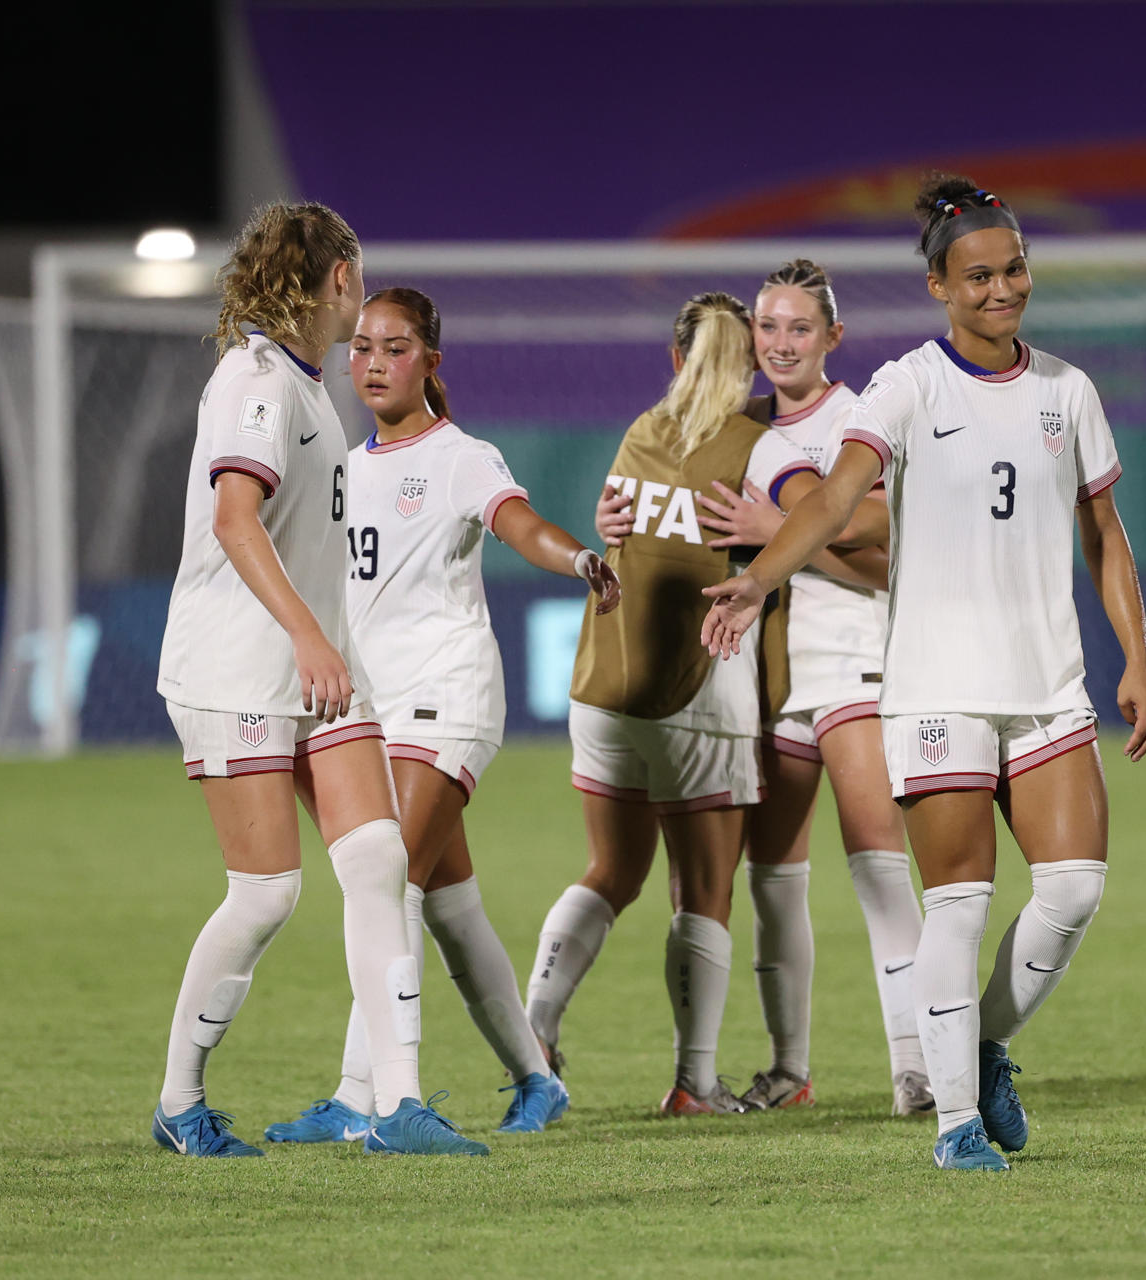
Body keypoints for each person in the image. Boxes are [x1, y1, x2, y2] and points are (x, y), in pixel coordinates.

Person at [699, 175, 1146, 1172]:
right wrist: (757, 580)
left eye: (1015, 269)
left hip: (1046, 683)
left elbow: (1104, 532)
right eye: (980, 276)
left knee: (1074, 887)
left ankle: (982, 1042)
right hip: (936, 684)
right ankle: (956, 1121)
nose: (1003, 289)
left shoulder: (1067, 393)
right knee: (957, 902)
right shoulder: (907, 387)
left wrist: (1138, 654)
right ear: (939, 289)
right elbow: (828, 504)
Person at [154, 203, 487, 1157]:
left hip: (315, 674)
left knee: (379, 863)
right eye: (358, 273)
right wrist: (309, 636)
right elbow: (234, 517)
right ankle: (180, 1103)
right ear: (335, 278)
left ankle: (399, 1107)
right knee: (264, 895)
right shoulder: (255, 381)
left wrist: (320, 643)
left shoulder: (303, 385)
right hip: (238, 671)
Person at [261, 288, 620, 1146]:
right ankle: (538, 1078)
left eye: (394, 348)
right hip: (375, 708)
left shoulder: (462, 455)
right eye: (363, 349)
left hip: (447, 697)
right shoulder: (345, 465)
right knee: (451, 909)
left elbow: (516, 523)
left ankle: (361, 1096)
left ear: (430, 361)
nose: (374, 362)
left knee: (389, 886)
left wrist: (574, 556)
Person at [525, 292, 879, 1116]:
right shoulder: (758, 447)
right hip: (698, 695)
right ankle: (695, 1080)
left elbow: (620, 520)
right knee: (705, 891)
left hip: (604, 688)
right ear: (748, 360)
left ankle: (533, 1026)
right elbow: (839, 522)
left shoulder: (641, 431)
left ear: (677, 359)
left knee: (611, 870)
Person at [595, 259, 930, 1116]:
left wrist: (779, 531)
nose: (780, 344)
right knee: (773, 880)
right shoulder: (742, 430)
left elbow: (889, 559)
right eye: (767, 330)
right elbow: (664, 504)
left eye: (798, 329)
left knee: (879, 871)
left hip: (851, 666)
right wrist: (614, 520)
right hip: (771, 683)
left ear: (832, 338)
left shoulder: (860, 423)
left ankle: (920, 1071)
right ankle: (791, 1070)